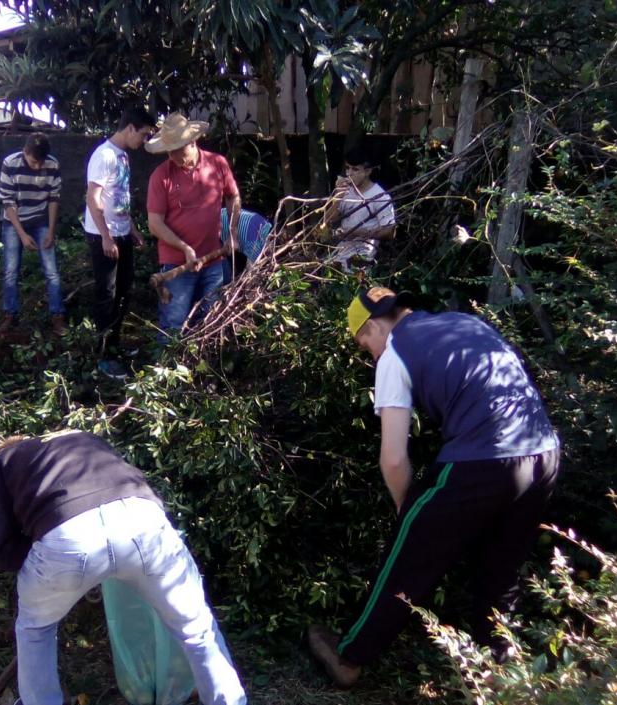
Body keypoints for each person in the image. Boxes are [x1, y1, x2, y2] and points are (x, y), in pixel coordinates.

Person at [308, 287, 561, 687]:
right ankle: (500, 673)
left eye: (364, 343)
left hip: (483, 459)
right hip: (544, 452)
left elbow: (392, 458)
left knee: (407, 559)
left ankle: (349, 658)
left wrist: (408, 516)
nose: (370, 354)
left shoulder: (394, 354)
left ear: (374, 325)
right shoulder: (463, 323)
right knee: (502, 568)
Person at [0, 430, 248, 705]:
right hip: (142, 518)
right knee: (196, 628)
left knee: (35, 630)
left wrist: (37, 565)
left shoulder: (1, 460)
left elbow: (3, 546)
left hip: (67, 535)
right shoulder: (80, 436)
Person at [146, 113, 241, 342]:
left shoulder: (218, 164)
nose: (173, 155)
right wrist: (184, 248)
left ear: (192, 142)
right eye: (169, 150)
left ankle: (204, 372)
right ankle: (168, 374)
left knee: (212, 321)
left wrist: (232, 233)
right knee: (174, 325)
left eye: (178, 149)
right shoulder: (161, 176)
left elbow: (233, 197)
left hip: (214, 261)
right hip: (177, 265)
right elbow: (154, 224)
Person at [84, 107, 158, 380]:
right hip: (104, 235)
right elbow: (93, 199)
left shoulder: (123, 156)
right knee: (107, 294)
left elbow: (120, 199)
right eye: (144, 134)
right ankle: (105, 357)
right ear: (130, 128)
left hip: (121, 232)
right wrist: (106, 236)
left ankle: (115, 346)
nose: (144, 141)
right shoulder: (103, 156)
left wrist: (133, 228)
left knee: (124, 291)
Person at [0, 133, 66, 336]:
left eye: (41, 161)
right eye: (34, 161)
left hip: (41, 221)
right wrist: (22, 235)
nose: (38, 167)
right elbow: (8, 203)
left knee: (52, 271)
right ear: (25, 153)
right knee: (11, 271)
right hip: (13, 222)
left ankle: (58, 317)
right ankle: (10, 315)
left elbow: (54, 199)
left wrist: (51, 231)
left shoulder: (52, 165)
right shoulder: (10, 163)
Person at [323, 147, 396, 272]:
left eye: (355, 169)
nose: (349, 173)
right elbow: (327, 220)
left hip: (362, 255)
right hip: (341, 251)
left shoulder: (380, 196)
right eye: (347, 168)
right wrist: (338, 195)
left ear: (367, 171)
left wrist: (359, 233)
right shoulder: (346, 191)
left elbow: (390, 231)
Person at [219, 207, 272, 284]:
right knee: (226, 277)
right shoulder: (253, 244)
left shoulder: (266, 225)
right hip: (215, 228)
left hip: (222, 215)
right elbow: (253, 272)